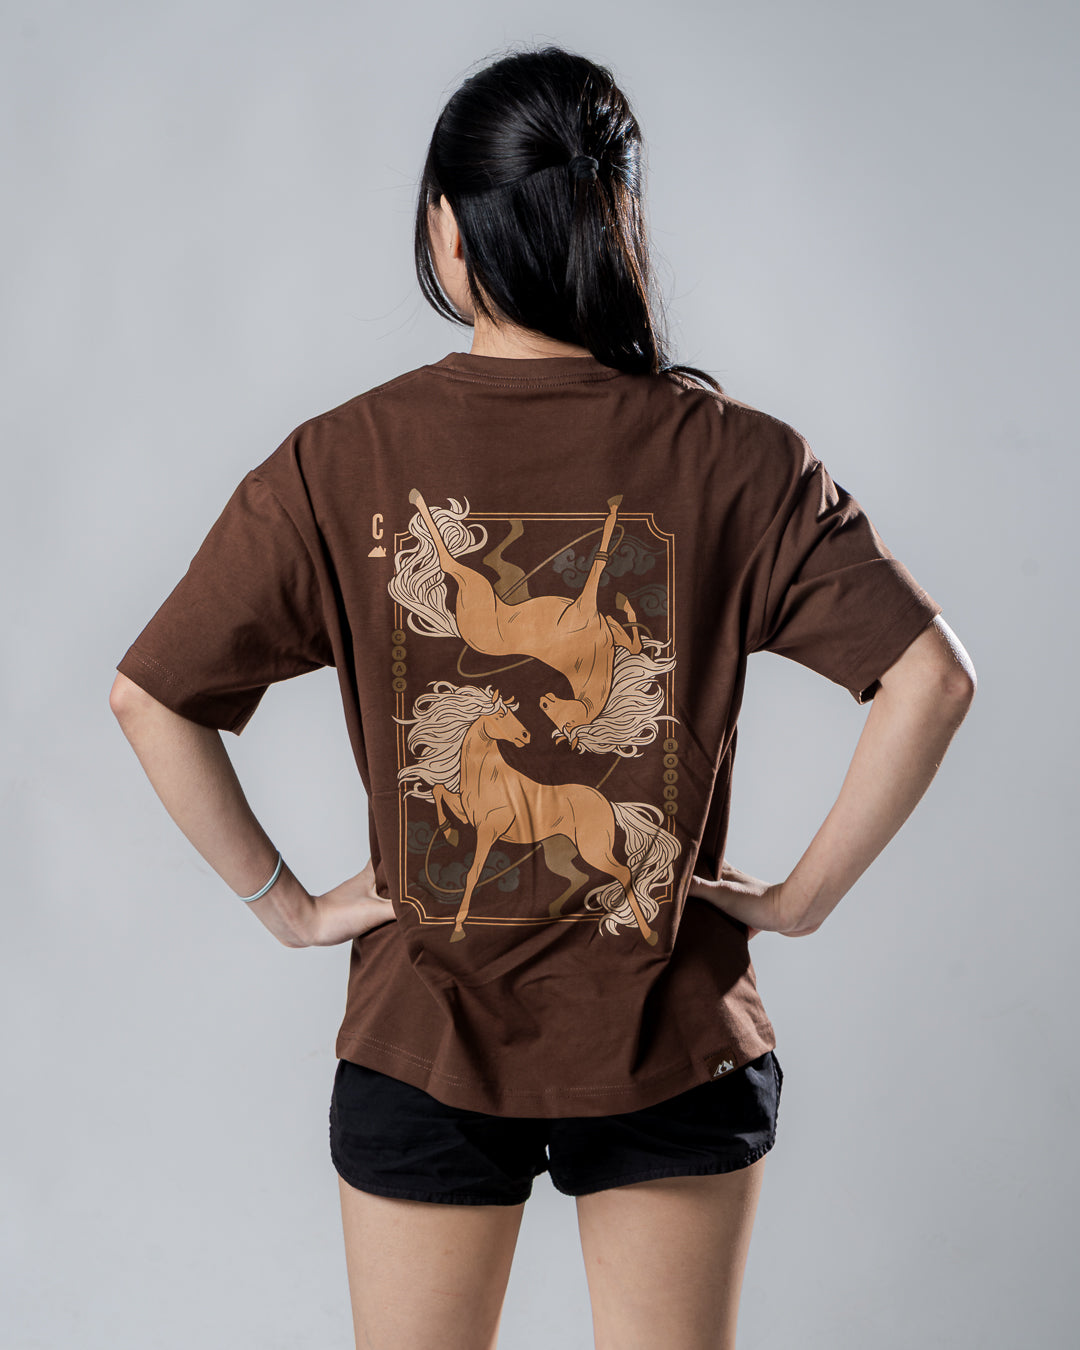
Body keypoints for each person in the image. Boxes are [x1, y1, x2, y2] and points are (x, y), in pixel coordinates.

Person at [109, 42, 976, 1350]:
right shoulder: (739, 458)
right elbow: (933, 677)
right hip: (674, 1030)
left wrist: (291, 908)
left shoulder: (342, 459)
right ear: (610, 227)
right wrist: (799, 900)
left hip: (426, 1033)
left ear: (448, 231)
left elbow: (149, 695)